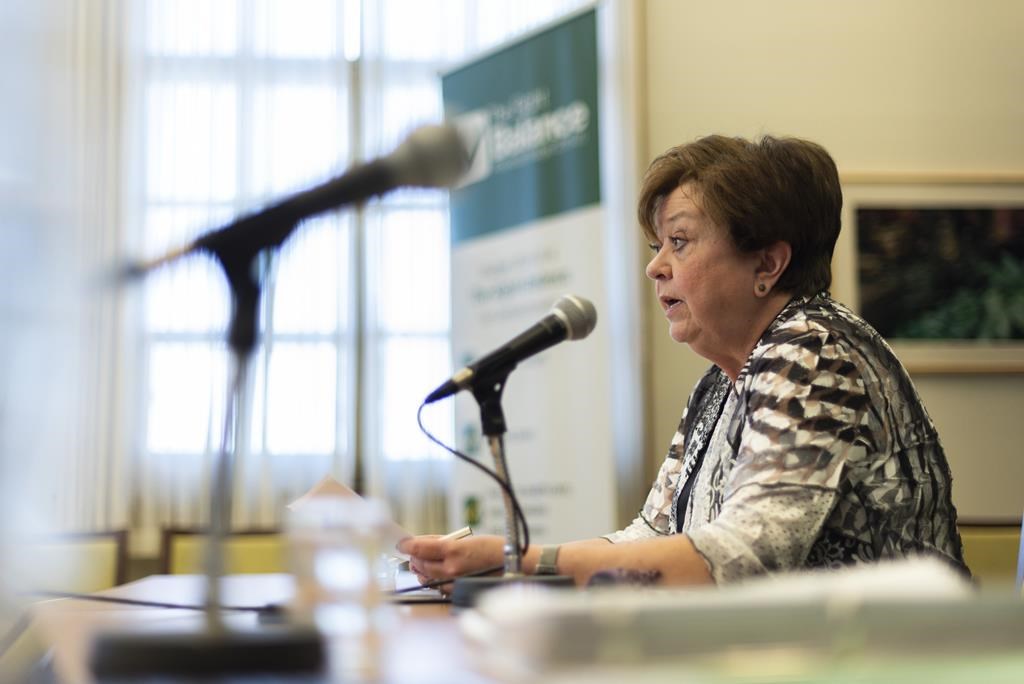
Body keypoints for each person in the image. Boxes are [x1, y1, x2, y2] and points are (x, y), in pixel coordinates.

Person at [400, 134, 968, 587]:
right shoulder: (719, 384)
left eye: (680, 241)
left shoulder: (812, 348)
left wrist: (525, 563)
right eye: (657, 248)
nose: (656, 268)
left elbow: (744, 556)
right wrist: (505, 561)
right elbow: (647, 537)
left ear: (767, 263)